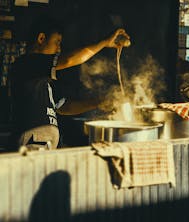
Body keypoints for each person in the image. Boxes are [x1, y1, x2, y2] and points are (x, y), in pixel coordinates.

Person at [10, 15, 131, 150]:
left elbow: (64, 107)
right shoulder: (27, 64)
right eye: (57, 42)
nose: (59, 49)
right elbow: (69, 60)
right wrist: (104, 42)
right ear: (41, 39)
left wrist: (98, 103)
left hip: (48, 146)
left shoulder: (46, 79)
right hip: (30, 144)